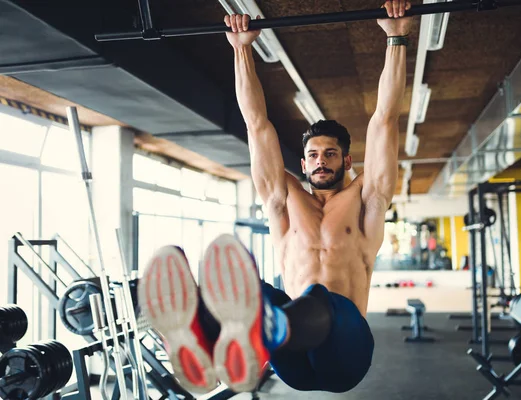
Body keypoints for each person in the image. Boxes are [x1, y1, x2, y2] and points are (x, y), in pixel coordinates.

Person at [139, 0, 412, 394]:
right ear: (302, 163)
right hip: (290, 360)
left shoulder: (367, 198)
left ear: (347, 160)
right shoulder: (284, 199)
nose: (321, 162)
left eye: (330, 154)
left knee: (318, 298)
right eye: (314, 155)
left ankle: (256, 324)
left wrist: (396, 38)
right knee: (261, 291)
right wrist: (241, 48)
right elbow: (257, 124)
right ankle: (207, 333)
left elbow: (385, 117)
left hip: (345, 355)